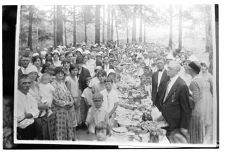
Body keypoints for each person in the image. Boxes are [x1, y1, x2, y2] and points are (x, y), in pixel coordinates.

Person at [161, 61, 192, 143]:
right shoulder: (169, 81)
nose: (167, 70)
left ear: (177, 70)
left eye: (170, 68)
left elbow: (186, 109)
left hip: (175, 123)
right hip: (167, 120)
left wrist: (183, 126)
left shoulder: (182, 85)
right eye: (167, 68)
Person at [187, 61, 213, 144]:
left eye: (188, 68)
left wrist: (187, 96)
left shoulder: (194, 81)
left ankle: (197, 143)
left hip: (198, 106)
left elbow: (196, 98)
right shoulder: (201, 79)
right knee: (203, 125)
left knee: (197, 125)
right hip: (204, 104)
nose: (187, 70)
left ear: (192, 70)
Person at [50, 67, 76, 140]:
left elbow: (68, 93)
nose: (61, 75)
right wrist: (66, 104)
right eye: (59, 73)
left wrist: (71, 101)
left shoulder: (63, 83)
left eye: (62, 73)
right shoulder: (53, 84)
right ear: (55, 74)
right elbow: (54, 100)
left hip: (67, 110)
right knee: (60, 131)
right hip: (59, 111)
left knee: (68, 128)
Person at [17, 74, 39, 140]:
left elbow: (36, 110)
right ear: (18, 84)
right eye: (24, 83)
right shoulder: (16, 96)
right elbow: (18, 117)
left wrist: (31, 114)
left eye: (29, 83)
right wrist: (30, 114)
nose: (27, 85)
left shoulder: (29, 95)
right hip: (20, 129)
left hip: (31, 125)